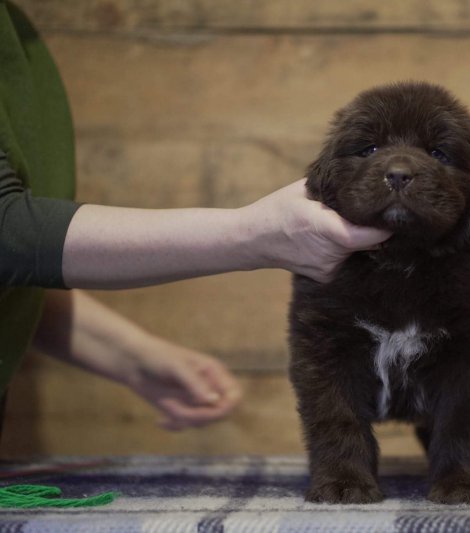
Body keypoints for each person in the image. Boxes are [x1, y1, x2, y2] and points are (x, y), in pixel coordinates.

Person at [0, 2, 390, 433]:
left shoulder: (18, 37)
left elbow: (20, 266)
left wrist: (132, 356)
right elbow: (7, 232)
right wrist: (252, 235)